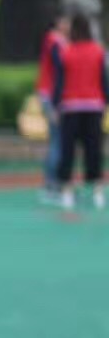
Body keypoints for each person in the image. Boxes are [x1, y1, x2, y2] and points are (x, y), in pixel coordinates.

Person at [53, 13, 108, 211]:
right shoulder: (99, 51)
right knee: (94, 150)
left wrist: (56, 105)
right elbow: (104, 80)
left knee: (68, 150)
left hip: (71, 107)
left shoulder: (66, 52)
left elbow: (60, 82)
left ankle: (67, 193)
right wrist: (106, 102)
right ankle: (98, 192)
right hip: (94, 106)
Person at [36, 9, 70, 203]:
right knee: (57, 141)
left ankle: (54, 183)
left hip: (54, 96)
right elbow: (59, 71)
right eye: (66, 21)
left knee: (58, 141)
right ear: (58, 22)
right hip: (51, 97)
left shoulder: (61, 41)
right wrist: (56, 103)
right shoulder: (54, 41)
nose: (69, 26)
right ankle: (51, 184)